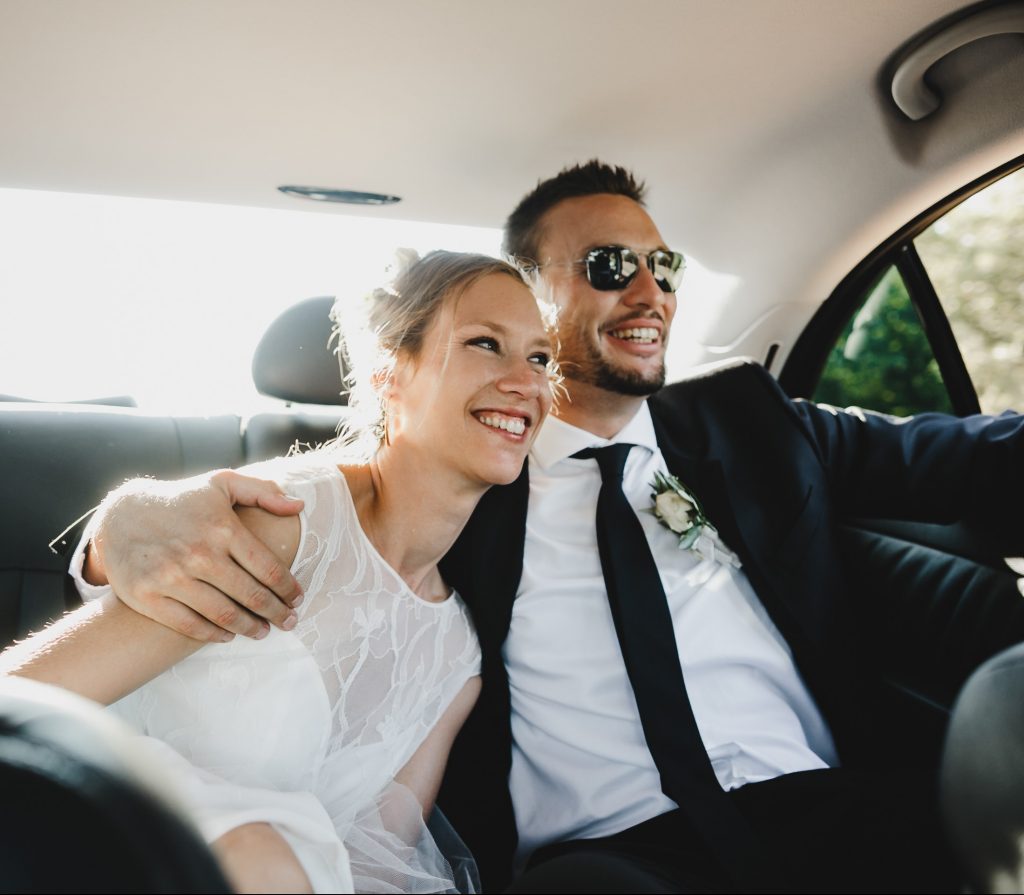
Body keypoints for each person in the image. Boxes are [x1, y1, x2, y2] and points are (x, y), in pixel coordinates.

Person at [60, 162, 1024, 893]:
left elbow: (973, 455)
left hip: (827, 808)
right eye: (610, 267)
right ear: (529, 293)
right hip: (608, 859)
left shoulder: (753, 422)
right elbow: (280, 517)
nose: (648, 290)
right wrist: (120, 514)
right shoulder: (459, 473)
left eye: (665, 266)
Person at [1, 251, 556, 894]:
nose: (526, 381)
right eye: (486, 344)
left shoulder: (456, 660)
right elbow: (26, 695)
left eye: (541, 358)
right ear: (389, 373)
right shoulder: (285, 523)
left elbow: (377, 860)